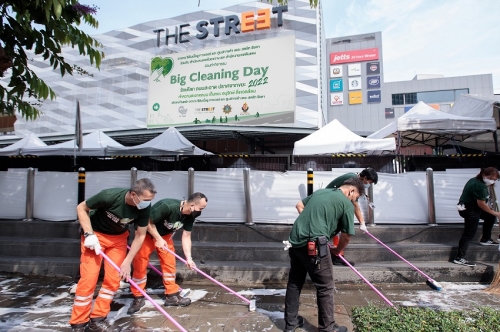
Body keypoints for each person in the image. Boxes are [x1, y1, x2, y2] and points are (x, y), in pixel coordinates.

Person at [70, 178, 157, 332]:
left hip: (118, 240)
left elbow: (140, 235)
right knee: (89, 278)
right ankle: (79, 322)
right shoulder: (110, 196)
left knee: (113, 280)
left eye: (150, 200)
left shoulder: (144, 208)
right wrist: (89, 234)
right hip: (95, 235)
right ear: (133, 195)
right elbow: (81, 208)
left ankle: (97, 320)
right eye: (145, 200)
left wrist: (127, 262)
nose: (147, 203)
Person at [284, 177, 364, 332]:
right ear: (352, 190)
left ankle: (290, 324)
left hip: (295, 241)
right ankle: (327, 328)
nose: (355, 201)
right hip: (314, 246)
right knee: (325, 286)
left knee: (295, 282)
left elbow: (299, 205)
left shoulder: (321, 192)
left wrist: (312, 224)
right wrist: (336, 250)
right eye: (357, 197)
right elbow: (347, 235)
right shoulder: (346, 204)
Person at [127, 192, 208, 314]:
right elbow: (148, 222)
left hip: (165, 236)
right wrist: (158, 238)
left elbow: (186, 236)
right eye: (201, 208)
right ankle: (138, 296)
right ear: (191, 205)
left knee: (169, 263)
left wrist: (189, 258)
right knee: (140, 263)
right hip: (146, 234)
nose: (201, 211)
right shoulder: (167, 206)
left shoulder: (191, 215)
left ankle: (172, 296)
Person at [325, 168, 378, 266]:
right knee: (340, 228)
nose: (368, 185)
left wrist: (362, 223)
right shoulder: (352, 179)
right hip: (329, 203)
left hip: (333, 203)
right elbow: (354, 204)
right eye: (369, 182)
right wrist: (362, 223)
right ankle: (335, 256)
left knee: (338, 229)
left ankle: (335, 255)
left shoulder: (355, 180)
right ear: (365, 178)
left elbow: (354, 203)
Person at [453, 167, 500, 267]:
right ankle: (459, 257)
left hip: (468, 207)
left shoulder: (473, 180)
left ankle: (485, 239)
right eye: (491, 178)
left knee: (490, 217)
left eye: (495, 179)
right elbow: (481, 204)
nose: (492, 181)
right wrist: (496, 213)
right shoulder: (480, 187)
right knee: (469, 234)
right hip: (471, 210)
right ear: (484, 175)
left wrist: (492, 212)